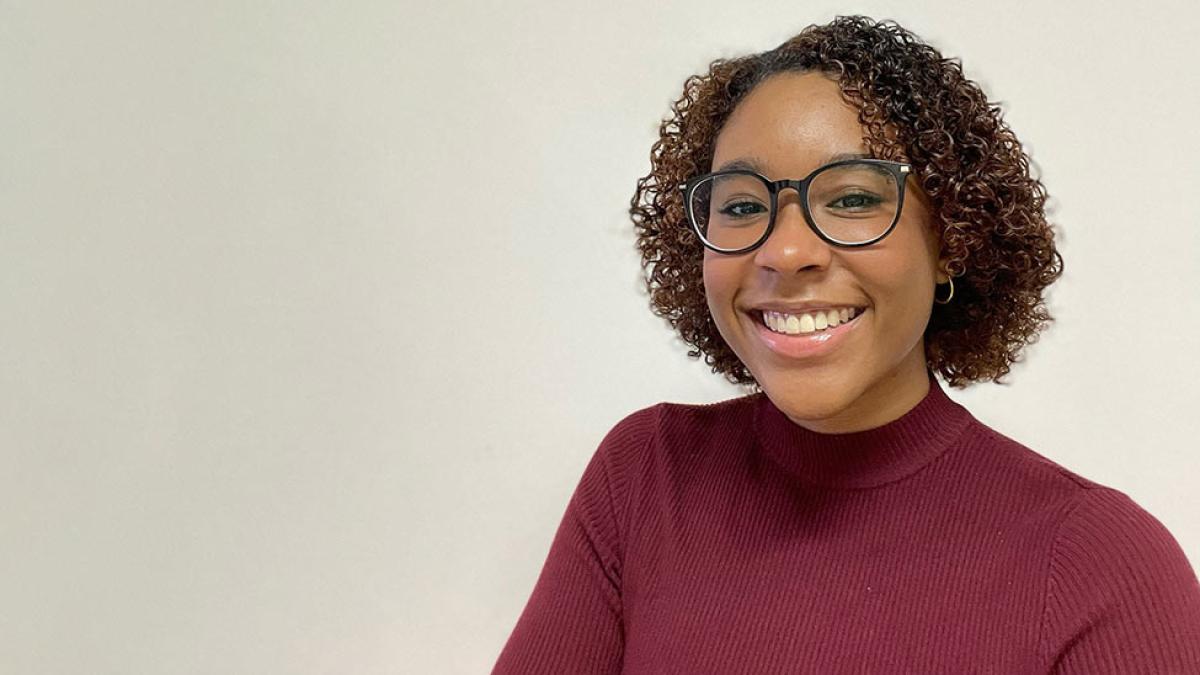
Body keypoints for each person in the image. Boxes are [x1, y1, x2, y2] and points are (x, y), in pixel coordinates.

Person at [491, 15, 1200, 673]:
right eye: (741, 205)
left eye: (854, 198)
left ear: (951, 237)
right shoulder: (646, 480)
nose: (787, 249)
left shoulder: (1101, 565)